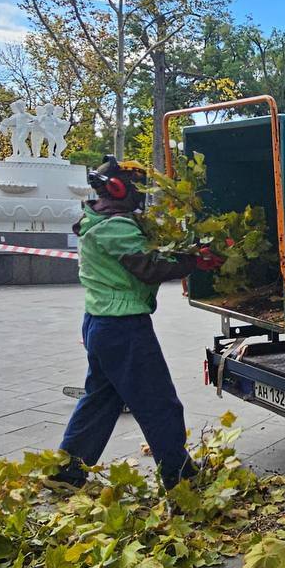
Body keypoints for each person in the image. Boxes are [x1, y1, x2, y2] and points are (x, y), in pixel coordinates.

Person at [51, 155, 205, 491]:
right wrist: (195, 261)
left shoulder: (98, 219)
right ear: (119, 188)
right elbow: (150, 267)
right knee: (158, 402)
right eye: (137, 187)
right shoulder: (115, 226)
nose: (141, 194)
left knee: (100, 401)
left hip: (100, 323)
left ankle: (66, 472)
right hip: (123, 328)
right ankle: (180, 476)